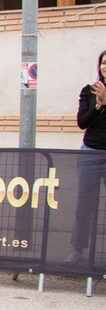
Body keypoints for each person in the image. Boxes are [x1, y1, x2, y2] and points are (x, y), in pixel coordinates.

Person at [64, 49, 106, 266]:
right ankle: (78, 250)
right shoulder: (88, 91)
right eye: (103, 63)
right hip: (90, 152)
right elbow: (82, 122)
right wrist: (99, 105)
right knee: (85, 205)